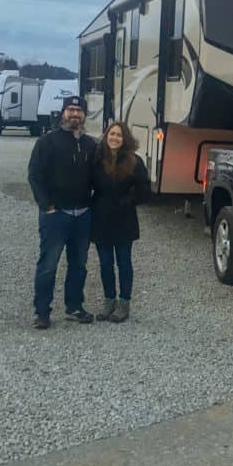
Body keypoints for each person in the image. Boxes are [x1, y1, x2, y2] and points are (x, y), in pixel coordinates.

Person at [27, 95, 97, 329]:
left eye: (79, 110)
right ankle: (42, 312)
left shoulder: (90, 145)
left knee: (79, 265)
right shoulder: (47, 142)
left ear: (84, 115)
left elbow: (100, 177)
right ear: (63, 113)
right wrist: (46, 205)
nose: (75, 114)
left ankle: (74, 306)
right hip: (56, 214)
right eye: (71, 109)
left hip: (83, 214)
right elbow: (35, 176)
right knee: (48, 264)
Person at [90, 121, 151, 323]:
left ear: (125, 139)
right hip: (101, 218)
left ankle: (124, 303)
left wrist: (128, 200)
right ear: (106, 136)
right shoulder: (97, 159)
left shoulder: (134, 161)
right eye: (112, 134)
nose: (114, 138)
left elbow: (145, 191)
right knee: (106, 263)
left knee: (124, 262)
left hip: (124, 219)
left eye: (119, 135)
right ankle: (109, 301)